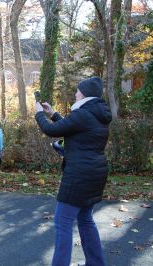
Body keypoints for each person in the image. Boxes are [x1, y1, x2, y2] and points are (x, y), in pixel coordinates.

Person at [35, 77, 112, 266]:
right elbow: (71, 128)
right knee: (85, 220)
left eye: (78, 91)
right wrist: (53, 113)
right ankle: (96, 263)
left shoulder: (83, 114)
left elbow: (52, 130)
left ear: (84, 93)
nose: (75, 93)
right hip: (95, 173)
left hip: (79, 176)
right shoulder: (95, 113)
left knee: (63, 223)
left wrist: (38, 114)